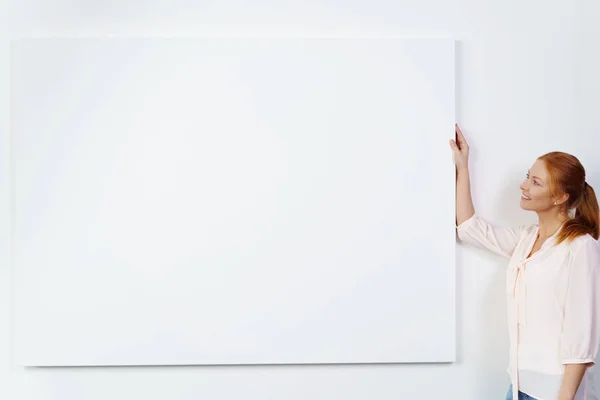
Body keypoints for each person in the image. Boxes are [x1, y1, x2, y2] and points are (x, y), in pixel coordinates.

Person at [450, 124, 600, 400]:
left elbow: (581, 335)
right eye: (528, 176)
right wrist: (462, 167)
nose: (524, 185)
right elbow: (470, 230)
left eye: (536, 182)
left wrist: (564, 398)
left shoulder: (580, 247)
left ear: (560, 197)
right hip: (518, 386)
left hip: (554, 392)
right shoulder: (526, 239)